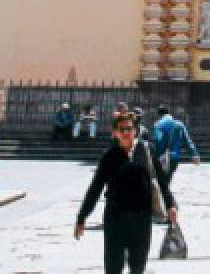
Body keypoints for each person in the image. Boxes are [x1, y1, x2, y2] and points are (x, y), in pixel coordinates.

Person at [74, 111, 176, 274]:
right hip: (115, 219)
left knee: (137, 266)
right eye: (122, 130)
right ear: (114, 132)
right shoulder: (109, 157)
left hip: (141, 219)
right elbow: (95, 188)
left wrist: (170, 205)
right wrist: (82, 216)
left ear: (135, 130)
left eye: (130, 129)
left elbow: (162, 181)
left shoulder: (148, 150)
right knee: (113, 267)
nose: (127, 133)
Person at [151, 106, 199, 182]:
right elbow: (187, 141)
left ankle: (165, 192)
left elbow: (156, 141)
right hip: (175, 157)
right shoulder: (179, 125)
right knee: (168, 178)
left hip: (161, 157)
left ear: (159, 115)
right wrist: (194, 154)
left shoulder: (158, 125)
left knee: (161, 181)